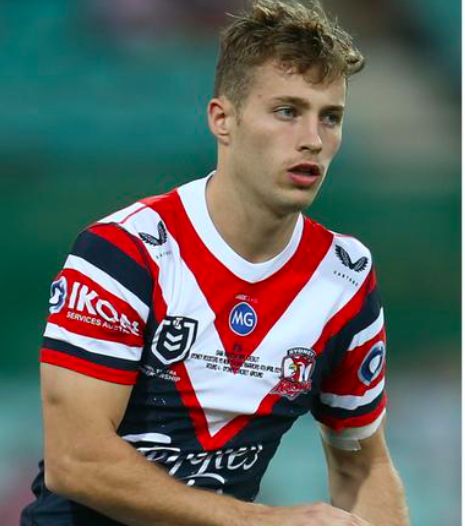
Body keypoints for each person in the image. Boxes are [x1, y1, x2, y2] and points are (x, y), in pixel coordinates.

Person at [21, 0, 409, 525]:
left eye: (331, 117)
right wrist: (260, 521)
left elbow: (362, 467)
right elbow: (76, 462)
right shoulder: (125, 253)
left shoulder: (346, 277)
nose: (313, 140)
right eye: (287, 111)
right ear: (222, 119)